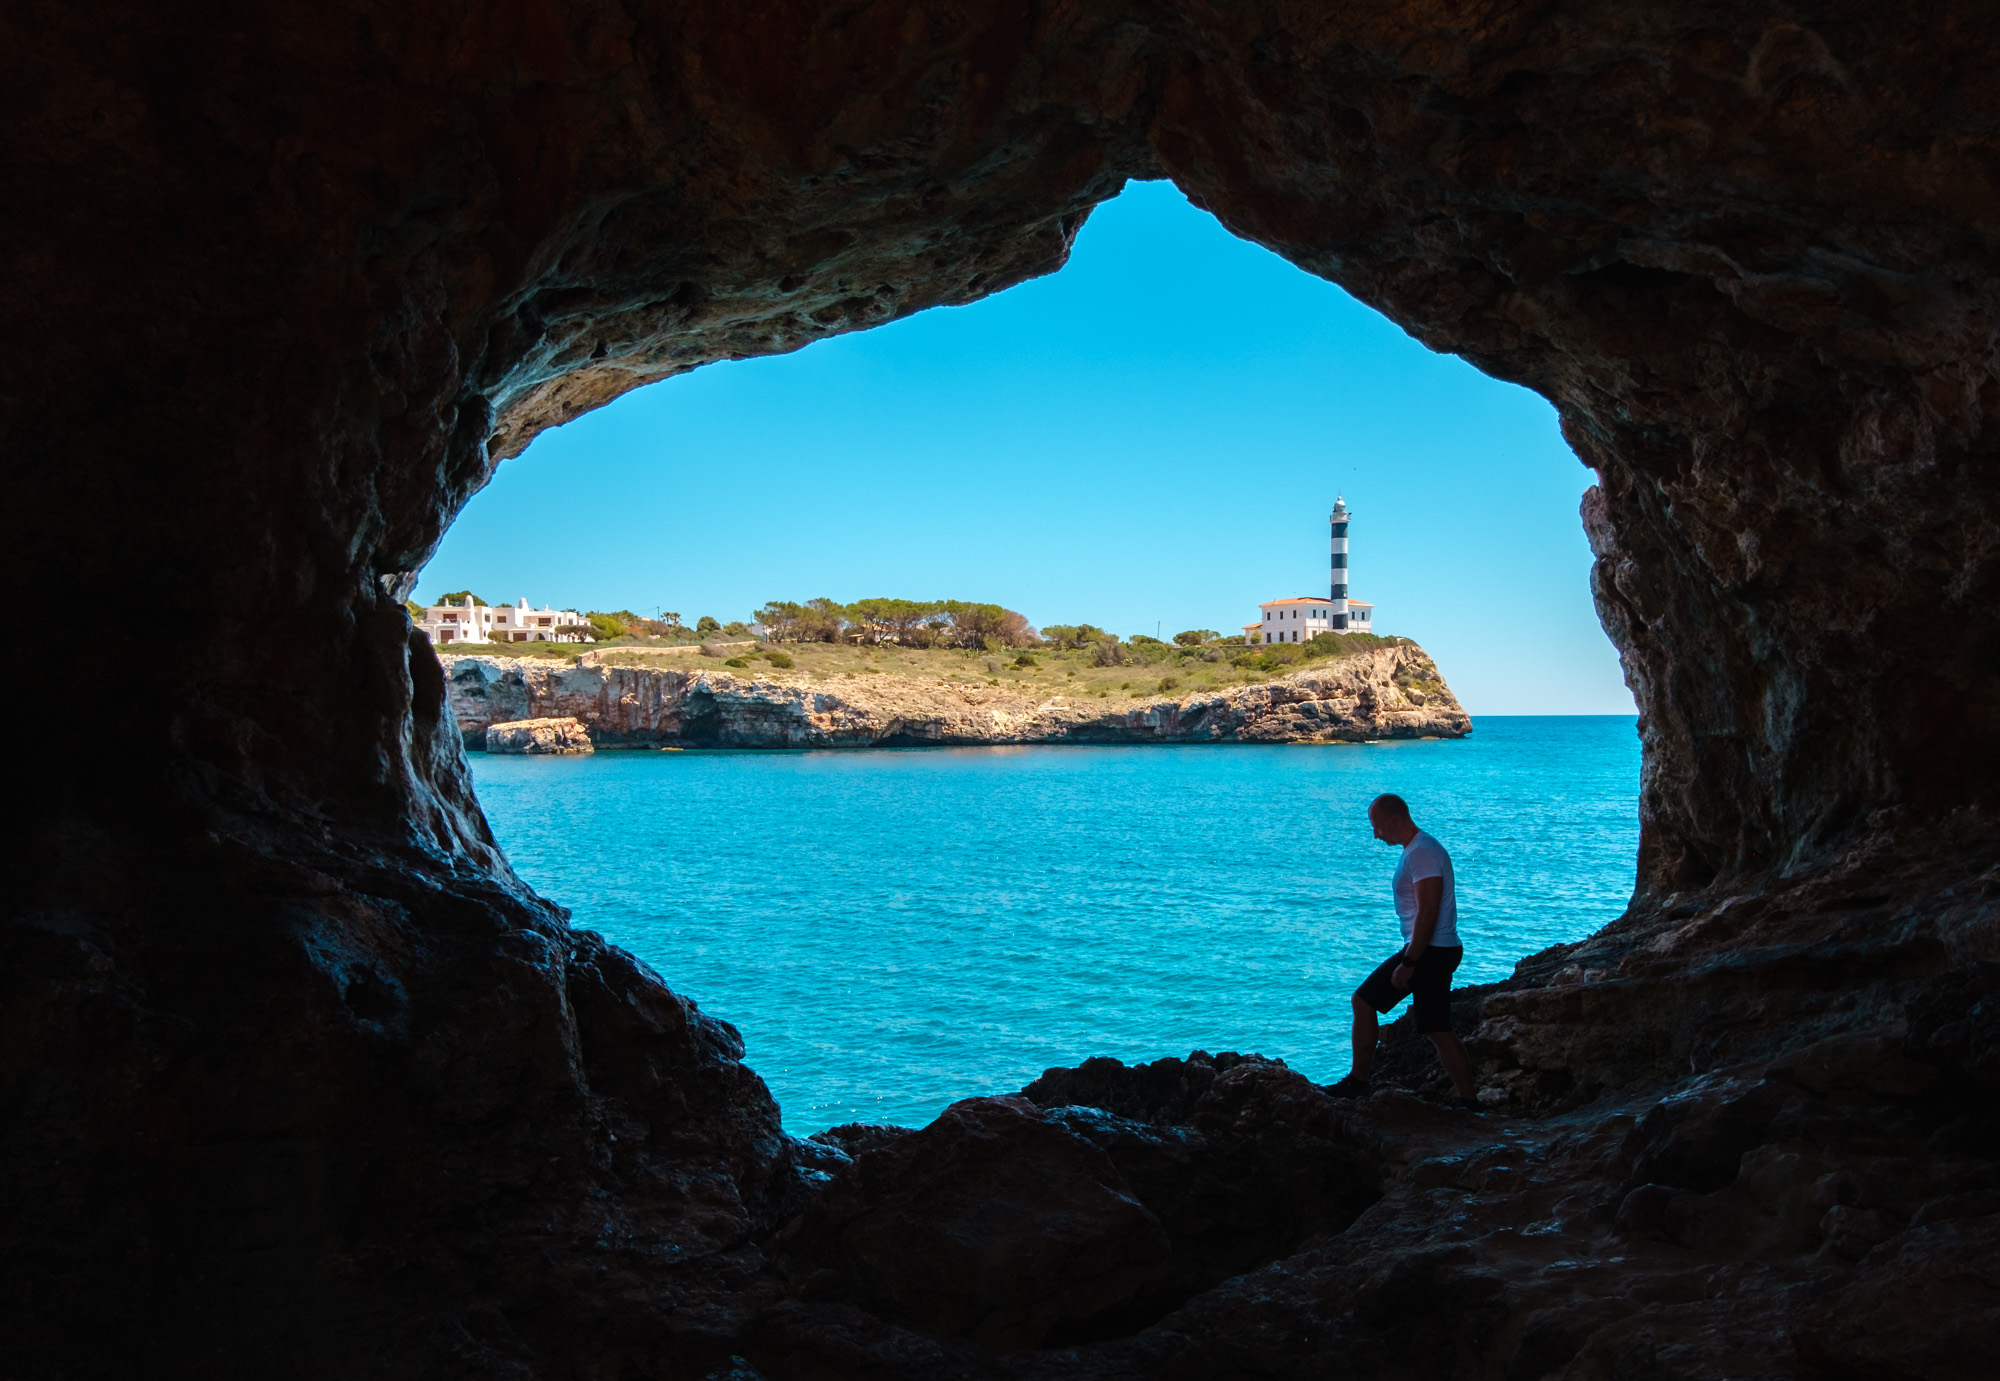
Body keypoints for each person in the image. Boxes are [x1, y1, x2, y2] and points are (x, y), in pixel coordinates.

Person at [1327, 793, 1480, 1110]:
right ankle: (1469, 1100)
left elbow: (1428, 912)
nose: (1375, 834)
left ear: (1394, 820)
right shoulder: (1419, 849)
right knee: (1437, 1027)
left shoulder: (1421, 853)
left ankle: (1358, 1083)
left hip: (1430, 951)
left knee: (1365, 1001)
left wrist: (1409, 961)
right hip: (1434, 949)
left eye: (1377, 826)